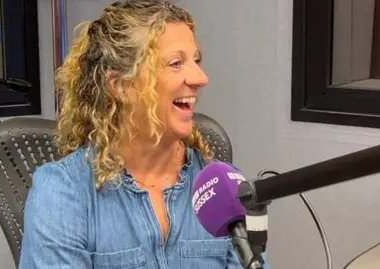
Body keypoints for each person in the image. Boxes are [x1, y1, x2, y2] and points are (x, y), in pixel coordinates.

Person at [18, 1, 269, 268]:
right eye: (176, 63)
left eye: (195, 60)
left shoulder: (223, 189)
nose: (200, 77)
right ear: (120, 86)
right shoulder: (63, 193)